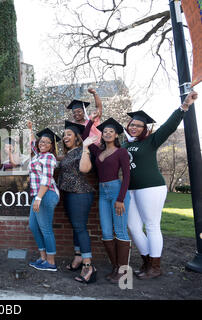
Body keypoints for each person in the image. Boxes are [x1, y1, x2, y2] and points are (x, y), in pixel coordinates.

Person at [124, 90, 198, 280]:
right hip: (130, 190)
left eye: (139, 126)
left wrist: (184, 107)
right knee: (132, 226)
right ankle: (147, 261)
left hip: (150, 187)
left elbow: (169, 126)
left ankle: (155, 267)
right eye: (132, 124)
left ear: (144, 129)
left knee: (151, 225)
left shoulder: (151, 141)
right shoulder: (123, 145)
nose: (134, 128)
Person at [80, 118, 131, 283]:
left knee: (121, 231)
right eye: (105, 131)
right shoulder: (98, 151)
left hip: (117, 192)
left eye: (111, 131)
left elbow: (127, 176)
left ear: (116, 135)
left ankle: (123, 272)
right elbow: (85, 134)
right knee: (107, 232)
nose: (108, 133)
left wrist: (121, 199)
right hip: (103, 193)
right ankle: (115, 267)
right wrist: (92, 120)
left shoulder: (121, 151)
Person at [57, 120, 97, 284]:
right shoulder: (68, 153)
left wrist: (86, 148)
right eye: (64, 134)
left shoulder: (82, 150)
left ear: (77, 138)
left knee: (80, 228)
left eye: (69, 134)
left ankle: (89, 267)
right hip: (69, 193)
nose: (65, 137)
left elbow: (84, 169)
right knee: (76, 227)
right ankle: (78, 257)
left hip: (80, 193)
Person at [27, 126, 60, 272]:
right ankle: (42, 258)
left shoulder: (49, 157)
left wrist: (39, 198)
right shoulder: (38, 155)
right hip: (38, 195)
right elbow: (33, 144)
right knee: (34, 226)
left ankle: (51, 262)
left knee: (46, 229)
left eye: (47, 142)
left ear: (51, 146)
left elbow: (46, 180)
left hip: (46, 194)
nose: (43, 144)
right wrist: (30, 130)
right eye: (42, 141)